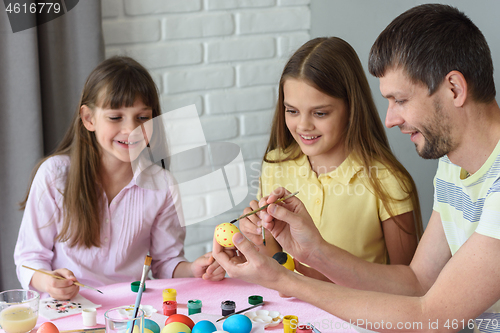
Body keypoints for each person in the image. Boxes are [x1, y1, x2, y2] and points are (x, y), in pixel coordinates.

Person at [213, 4, 500, 332]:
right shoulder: (452, 165)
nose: (390, 119)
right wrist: (315, 251)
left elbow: (429, 317)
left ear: (454, 89)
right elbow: (416, 281)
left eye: (401, 100)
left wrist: (284, 281)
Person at [14, 56, 224, 301]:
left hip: (130, 309)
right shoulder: (54, 175)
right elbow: (29, 259)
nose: (131, 129)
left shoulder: (163, 185)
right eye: (116, 117)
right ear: (88, 119)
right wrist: (49, 281)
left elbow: (165, 262)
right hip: (67, 307)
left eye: (142, 118)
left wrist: (193, 269)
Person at [239, 37, 422, 269]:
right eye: (292, 110)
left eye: (320, 113)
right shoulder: (275, 164)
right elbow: (276, 263)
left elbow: (406, 286)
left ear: (351, 108)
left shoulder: (387, 181)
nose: (303, 125)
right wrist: (256, 239)